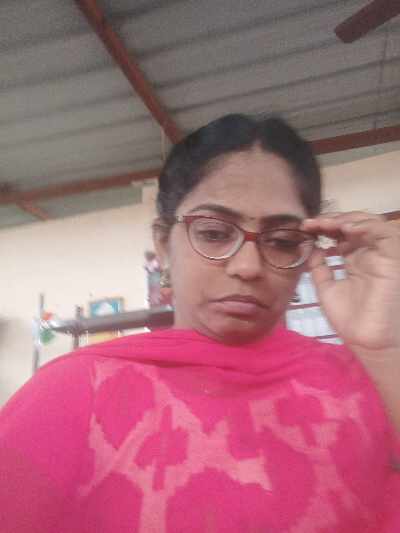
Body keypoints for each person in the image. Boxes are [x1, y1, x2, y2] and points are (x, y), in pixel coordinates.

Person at [0, 114, 399, 533]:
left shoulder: (367, 379)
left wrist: (384, 350)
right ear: (162, 244)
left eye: (282, 241)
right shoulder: (75, 392)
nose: (247, 266)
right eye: (213, 233)